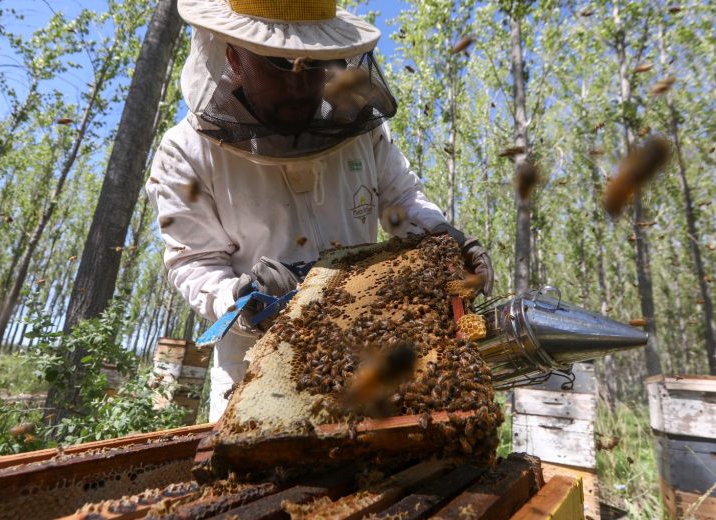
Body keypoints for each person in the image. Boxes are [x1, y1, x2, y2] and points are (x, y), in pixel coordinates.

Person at [146, 0, 493, 421]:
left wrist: (441, 235)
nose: (298, 86)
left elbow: (402, 202)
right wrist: (239, 299)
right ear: (234, 57)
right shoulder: (185, 153)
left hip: (367, 365)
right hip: (255, 376)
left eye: (313, 65)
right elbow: (194, 262)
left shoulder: (363, 130)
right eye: (278, 64)